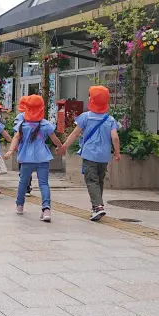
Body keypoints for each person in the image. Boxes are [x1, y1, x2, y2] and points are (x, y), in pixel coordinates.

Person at [60, 86, 121, 221]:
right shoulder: (110, 119)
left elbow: (75, 134)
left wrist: (64, 147)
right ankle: (96, 207)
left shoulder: (85, 117)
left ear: (91, 100)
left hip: (89, 155)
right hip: (104, 156)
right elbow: (115, 138)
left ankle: (98, 206)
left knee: (91, 180)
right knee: (99, 181)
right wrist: (117, 153)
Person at [4, 95, 64, 222]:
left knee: (23, 181)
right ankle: (46, 209)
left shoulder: (22, 124)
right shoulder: (46, 124)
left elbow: (16, 138)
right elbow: (54, 139)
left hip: (26, 158)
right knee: (43, 183)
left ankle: (19, 205)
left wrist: (10, 150)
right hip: (43, 157)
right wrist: (60, 146)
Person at [14, 97, 32, 195]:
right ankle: (27, 187)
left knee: (23, 167)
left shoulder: (20, 117)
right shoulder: (38, 117)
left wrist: (14, 146)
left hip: (22, 147)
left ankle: (25, 187)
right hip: (33, 147)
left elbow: (16, 133)